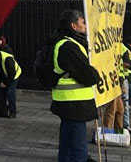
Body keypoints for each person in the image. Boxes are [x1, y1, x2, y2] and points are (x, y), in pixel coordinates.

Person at [49, 10, 100, 162]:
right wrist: (95, 73)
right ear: (73, 25)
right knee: (78, 147)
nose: (85, 25)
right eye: (83, 22)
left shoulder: (69, 43)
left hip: (69, 103)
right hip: (74, 103)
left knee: (67, 143)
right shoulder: (68, 46)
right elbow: (89, 75)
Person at [0, 35, 21, 118]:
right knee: (1, 93)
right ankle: (2, 111)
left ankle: (12, 112)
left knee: (10, 92)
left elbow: (12, 75)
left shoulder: (7, 59)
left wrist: (5, 83)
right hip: (4, 75)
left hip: (14, 75)